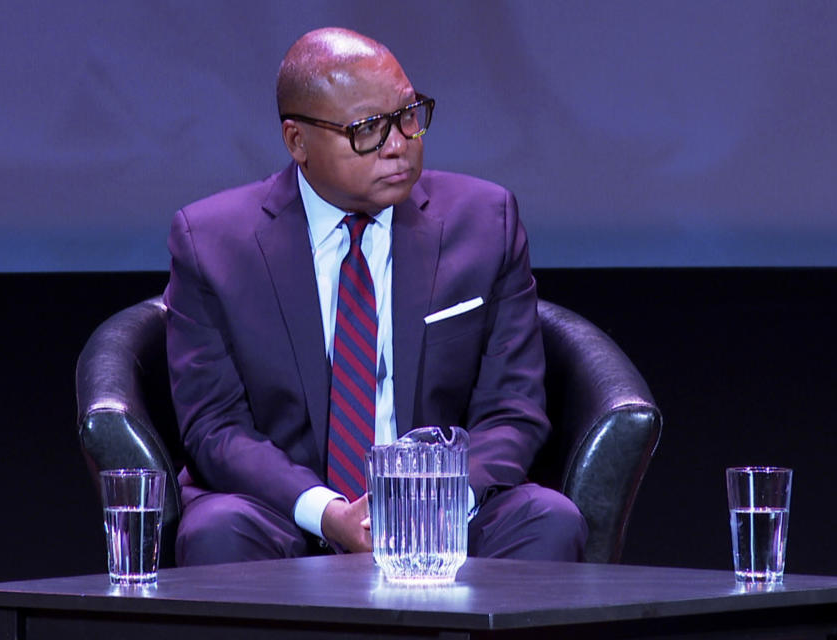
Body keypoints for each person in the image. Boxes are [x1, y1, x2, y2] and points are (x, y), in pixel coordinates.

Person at [164, 27, 587, 565]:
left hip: (445, 512)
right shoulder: (212, 242)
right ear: (297, 142)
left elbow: (514, 411)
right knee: (218, 530)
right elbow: (215, 427)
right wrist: (328, 512)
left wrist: (431, 503)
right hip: (286, 516)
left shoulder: (485, 221)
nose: (398, 144)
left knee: (549, 520)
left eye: (409, 115)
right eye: (368, 128)